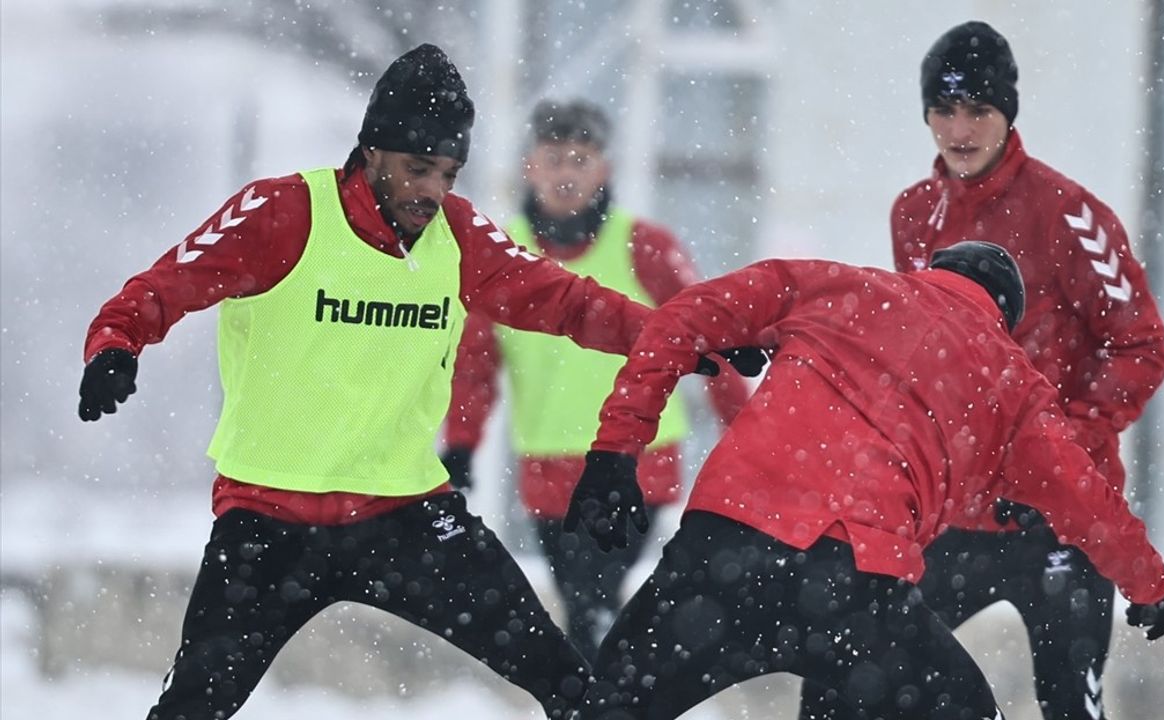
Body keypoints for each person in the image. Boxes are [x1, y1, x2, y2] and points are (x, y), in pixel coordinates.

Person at [75, 43, 744, 720]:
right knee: (193, 706)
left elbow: (571, 303)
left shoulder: (459, 237)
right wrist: (116, 345)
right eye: (417, 168)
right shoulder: (284, 214)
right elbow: (165, 286)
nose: (432, 190)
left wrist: (685, 337)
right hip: (268, 519)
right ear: (370, 153)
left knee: (572, 684)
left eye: (448, 173)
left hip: (403, 517)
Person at [562, 242, 1164, 720]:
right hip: (854, 590)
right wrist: (1148, 585)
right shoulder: (1013, 382)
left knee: (608, 705)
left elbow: (681, 317)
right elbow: (1088, 499)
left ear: (932, 270)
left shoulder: (833, 285)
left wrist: (616, 451)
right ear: (1004, 317)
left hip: (724, 553)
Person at [797, 21, 1164, 720]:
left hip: (1060, 524)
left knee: (1069, 705)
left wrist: (1057, 453)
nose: (959, 129)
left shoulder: (1069, 215)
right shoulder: (914, 214)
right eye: (944, 110)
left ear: (1007, 115)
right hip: (954, 517)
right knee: (853, 677)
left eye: (979, 111)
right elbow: (923, 351)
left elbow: (1140, 349)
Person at [441, 98, 751, 657]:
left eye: (579, 160)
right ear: (529, 167)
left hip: (639, 462)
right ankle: (611, 693)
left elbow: (709, 336)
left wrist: (748, 434)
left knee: (591, 605)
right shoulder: (498, 255)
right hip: (546, 469)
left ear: (603, 169)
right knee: (586, 614)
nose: (566, 174)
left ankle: (602, 692)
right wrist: (461, 446)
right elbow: (474, 366)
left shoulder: (645, 247)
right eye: (554, 159)